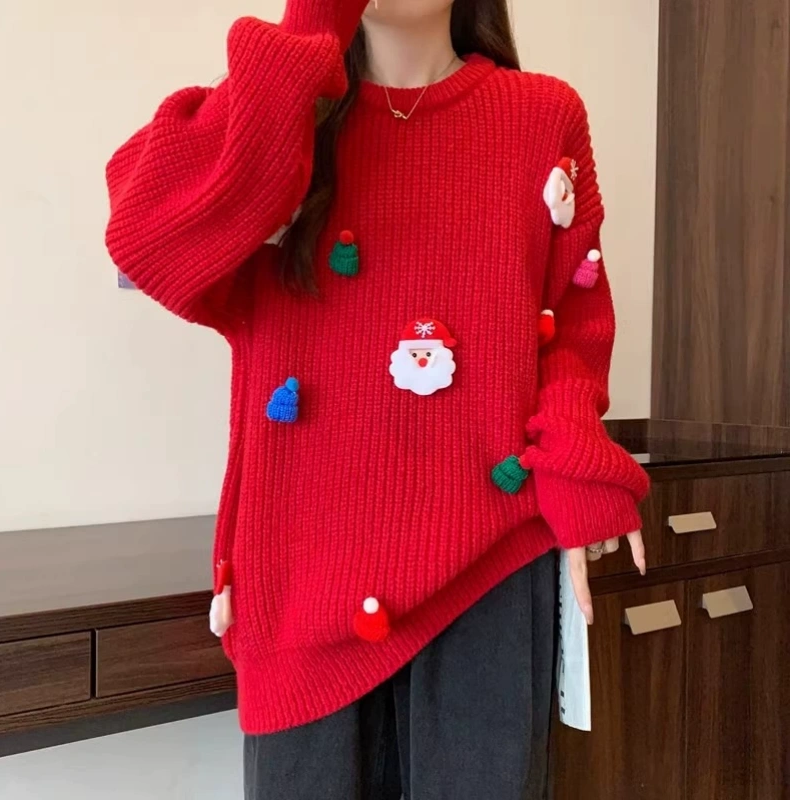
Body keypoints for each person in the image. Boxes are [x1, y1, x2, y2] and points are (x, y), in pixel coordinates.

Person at [105, 0, 649, 797]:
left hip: (491, 569)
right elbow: (146, 237)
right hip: (300, 581)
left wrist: (572, 463)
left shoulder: (543, 115)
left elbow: (570, 318)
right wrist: (312, 31)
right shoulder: (278, 116)